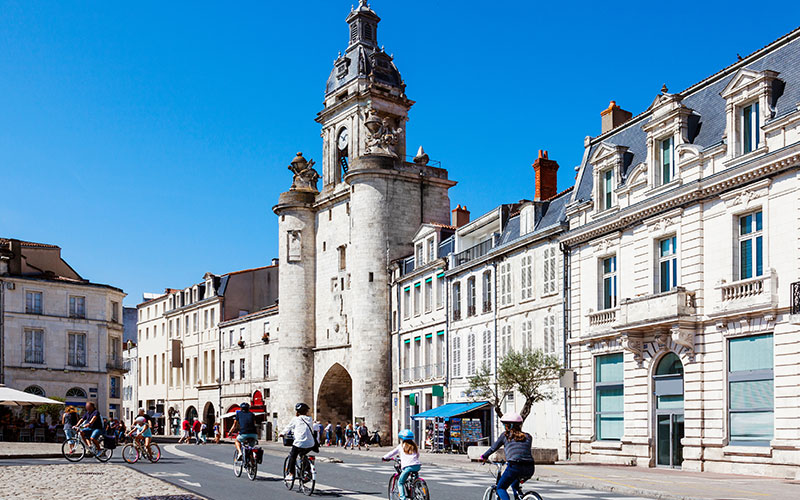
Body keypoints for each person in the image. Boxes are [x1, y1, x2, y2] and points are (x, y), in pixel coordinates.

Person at [478, 412, 535, 500]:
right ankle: (519, 496)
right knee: (514, 483)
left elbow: (493, 448)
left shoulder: (505, 436)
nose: (504, 426)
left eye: (505, 425)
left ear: (509, 426)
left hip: (514, 466)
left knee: (500, 488)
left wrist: (483, 457)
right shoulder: (528, 436)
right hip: (530, 468)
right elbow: (521, 451)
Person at [279, 402, 315, 481]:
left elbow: (288, 427)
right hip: (311, 443)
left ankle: (291, 474)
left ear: (297, 411)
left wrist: (282, 433)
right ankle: (307, 471)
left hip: (299, 443)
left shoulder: (295, 419)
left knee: (293, 456)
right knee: (303, 454)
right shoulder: (310, 419)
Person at [382, 429, 421, 500]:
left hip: (407, 467)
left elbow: (392, 453)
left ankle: (403, 498)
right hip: (417, 465)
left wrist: (385, 457)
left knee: (400, 482)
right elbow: (418, 455)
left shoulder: (401, 446)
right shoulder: (414, 446)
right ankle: (417, 487)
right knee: (414, 479)